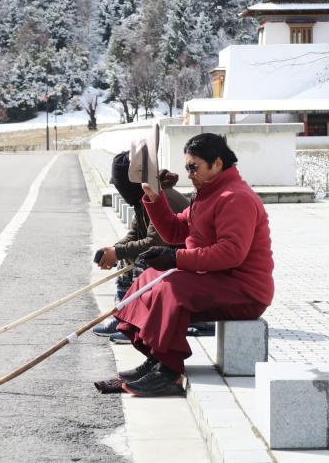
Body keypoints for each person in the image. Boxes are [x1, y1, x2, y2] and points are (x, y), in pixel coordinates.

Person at [107, 133, 274, 397]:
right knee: (149, 278)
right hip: (215, 280)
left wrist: (176, 258)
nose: (189, 173)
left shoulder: (235, 197)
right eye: (187, 167)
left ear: (217, 163)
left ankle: (169, 372)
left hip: (243, 290)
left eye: (193, 167)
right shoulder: (208, 194)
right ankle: (157, 357)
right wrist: (154, 197)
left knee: (171, 288)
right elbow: (175, 231)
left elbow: (231, 254)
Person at [93, 150, 189, 344]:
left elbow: (155, 242)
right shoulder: (143, 198)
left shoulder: (162, 197)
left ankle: (139, 323)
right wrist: (112, 252)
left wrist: (118, 252)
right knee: (126, 258)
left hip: (182, 258)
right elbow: (136, 234)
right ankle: (124, 317)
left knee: (142, 260)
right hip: (168, 252)